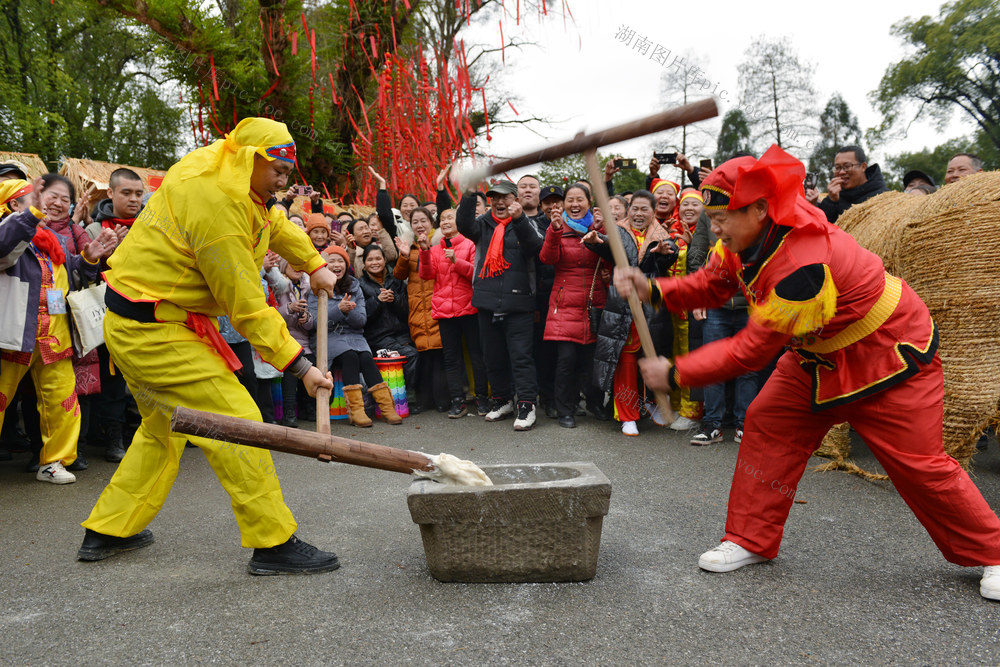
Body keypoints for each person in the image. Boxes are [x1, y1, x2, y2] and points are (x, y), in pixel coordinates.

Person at [614, 144, 1000, 602]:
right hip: (817, 355)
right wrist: (653, 289)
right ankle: (750, 539)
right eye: (712, 218)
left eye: (722, 219)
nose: (712, 228)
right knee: (767, 423)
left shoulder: (803, 261)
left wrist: (677, 373)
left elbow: (752, 350)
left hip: (888, 357)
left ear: (759, 208)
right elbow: (712, 283)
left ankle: (993, 552)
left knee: (919, 465)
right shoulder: (742, 238)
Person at [78, 118, 341, 576]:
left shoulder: (224, 166)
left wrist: (313, 261)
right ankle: (272, 541)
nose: (284, 180)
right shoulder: (216, 204)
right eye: (275, 169)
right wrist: (301, 367)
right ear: (249, 157)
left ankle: (109, 528)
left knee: (162, 430)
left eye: (287, 169)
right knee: (238, 424)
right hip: (154, 328)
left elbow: (270, 222)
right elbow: (245, 304)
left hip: (144, 320)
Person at [0, 178, 116, 483]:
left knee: (63, 402)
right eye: (43, 197)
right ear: (14, 205)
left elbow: (71, 276)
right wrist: (31, 215)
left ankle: (53, 463)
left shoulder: (49, 240)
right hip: (13, 337)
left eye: (65, 199)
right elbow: (3, 249)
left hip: (55, 337)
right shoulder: (9, 231)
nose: (57, 203)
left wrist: (89, 257)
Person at [584, 190, 676, 437]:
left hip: (652, 307)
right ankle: (627, 416)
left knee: (654, 356)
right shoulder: (617, 233)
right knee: (624, 360)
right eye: (635, 208)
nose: (638, 213)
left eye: (644, 209)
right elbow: (605, 248)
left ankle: (654, 403)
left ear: (653, 212)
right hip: (621, 306)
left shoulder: (663, 236)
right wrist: (595, 242)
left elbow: (670, 256)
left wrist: (665, 254)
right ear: (628, 210)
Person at [455, 178, 543, 431]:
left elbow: (536, 248)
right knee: (492, 357)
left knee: (521, 357)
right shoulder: (482, 224)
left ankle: (526, 404)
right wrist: (470, 193)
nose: (500, 201)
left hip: (519, 303)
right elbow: (463, 224)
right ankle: (502, 400)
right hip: (487, 301)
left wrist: (519, 221)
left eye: (505, 197)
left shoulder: (527, 223)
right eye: (495, 197)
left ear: (515, 199)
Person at [84, 168, 146, 462]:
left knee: (145, 379)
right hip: (110, 314)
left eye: (138, 193)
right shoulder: (96, 229)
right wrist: (109, 253)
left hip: (148, 314)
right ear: (110, 193)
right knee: (114, 382)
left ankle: (143, 436)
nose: (134, 199)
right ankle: (114, 439)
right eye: (126, 193)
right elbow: (84, 272)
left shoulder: (153, 225)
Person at [309, 245, 401, 427]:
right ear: (324, 266)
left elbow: (361, 320)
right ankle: (357, 412)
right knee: (350, 356)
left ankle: (387, 408)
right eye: (331, 261)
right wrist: (338, 310)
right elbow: (315, 323)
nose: (336, 265)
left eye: (340, 261)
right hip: (329, 338)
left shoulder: (354, 286)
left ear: (346, 264)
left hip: (354, 336)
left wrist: (347, 311)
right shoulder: (316, 286)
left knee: (366, 357)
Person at [539, 183, 607, 428]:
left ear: (589, 202)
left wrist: (602, 232)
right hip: (564, 303)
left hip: (593, 301)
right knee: (566, 360)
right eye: (570, 200)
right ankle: (564, 408)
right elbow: (547, 258)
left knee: (592, 360)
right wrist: (554, 231)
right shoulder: (558, 227)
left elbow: (612, 259)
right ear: (563, 204)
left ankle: (595, 402)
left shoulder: (598, 226)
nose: (575, 205)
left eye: (580, 200)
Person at [419, 208, 488, 418]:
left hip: (468, 307)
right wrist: (424, 251)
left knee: (477, 355)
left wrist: (456, 261)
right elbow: (426, 275)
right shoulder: (435, 249)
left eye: (450, 218)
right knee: (451, 358)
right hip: (444, 310)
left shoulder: (470, 244)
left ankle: (482, 398)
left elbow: (476, 274)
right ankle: (457, 400)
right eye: (442, 219)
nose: (446, 221)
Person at [393, 207, 448, 413]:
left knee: (440, 355)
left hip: (437, 304)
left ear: (431, 222)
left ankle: (443, 400)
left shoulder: (440, 245)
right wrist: (404, 256)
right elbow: (398, 276)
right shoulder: (410, 247)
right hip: (417, 308)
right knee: (424, 356)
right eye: (415, 222)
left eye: (423, 220)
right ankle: (425, 401)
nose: (419, 225)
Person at [357, 244, 416, 390]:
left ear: (384, 260)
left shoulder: (395, 280)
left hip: (401, 334)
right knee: (411, 355)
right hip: (378, 337)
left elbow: (407, 309)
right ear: (364, 263)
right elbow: (362, 316)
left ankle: (415, 395)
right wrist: (377, 300)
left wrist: (394, 299)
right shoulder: (360, 284)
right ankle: (407, 396)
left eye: (378, 258)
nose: (375, 262)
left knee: (421, 354)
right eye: (370, 259)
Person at [805, 145, 888, 223]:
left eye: (847, 166)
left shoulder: (884, 198)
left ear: (863, 167)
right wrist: (829, 201)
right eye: (837, 168)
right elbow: (824, 227)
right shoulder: (835, 197)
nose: (841, 172)